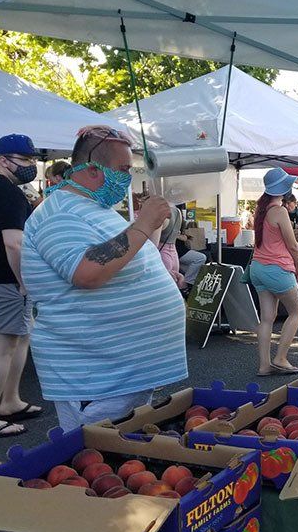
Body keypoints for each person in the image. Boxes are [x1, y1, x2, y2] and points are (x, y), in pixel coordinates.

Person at [21, 125, 187, 430]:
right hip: (96, 381)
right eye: (123, 169)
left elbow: (119, 256)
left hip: (120, 374)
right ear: (94, 170)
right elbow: (86, 272)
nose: (127, 177)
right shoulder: (59, 213)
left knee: (122, 458)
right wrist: (143, 223)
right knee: (95, 458)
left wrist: (154, 274)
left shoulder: (93, 208)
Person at [0, 134, 41, 440]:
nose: (30, 166)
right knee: (1, 349)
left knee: (20, 338)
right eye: (25, 160)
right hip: (5, 280)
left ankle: (10, 400)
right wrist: (24, 282)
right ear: (4, 160)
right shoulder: (10, 194)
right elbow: (14, 244)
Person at [248, 169, 298, 376]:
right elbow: (291, 246)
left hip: (258, 268)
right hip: (278, 269)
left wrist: (295, 246)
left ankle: (264, 365)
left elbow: (279, 239)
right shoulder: (280, 211)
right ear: (284, 188)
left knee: (267, 318)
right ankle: (280, 358)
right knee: (296, 311)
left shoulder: (261, 210)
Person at [154, 205, 187, 289]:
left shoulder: (160, 211)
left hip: (162, 253)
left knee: (162, 288)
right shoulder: (177, 212)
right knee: (174, 286)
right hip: (173, 253)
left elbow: (153, 244)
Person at [176, 221, 208, 286]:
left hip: (177, 252)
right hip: (179, 252)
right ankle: (188, 282)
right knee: (201, 258)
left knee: (190, 267)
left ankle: (186, 283)